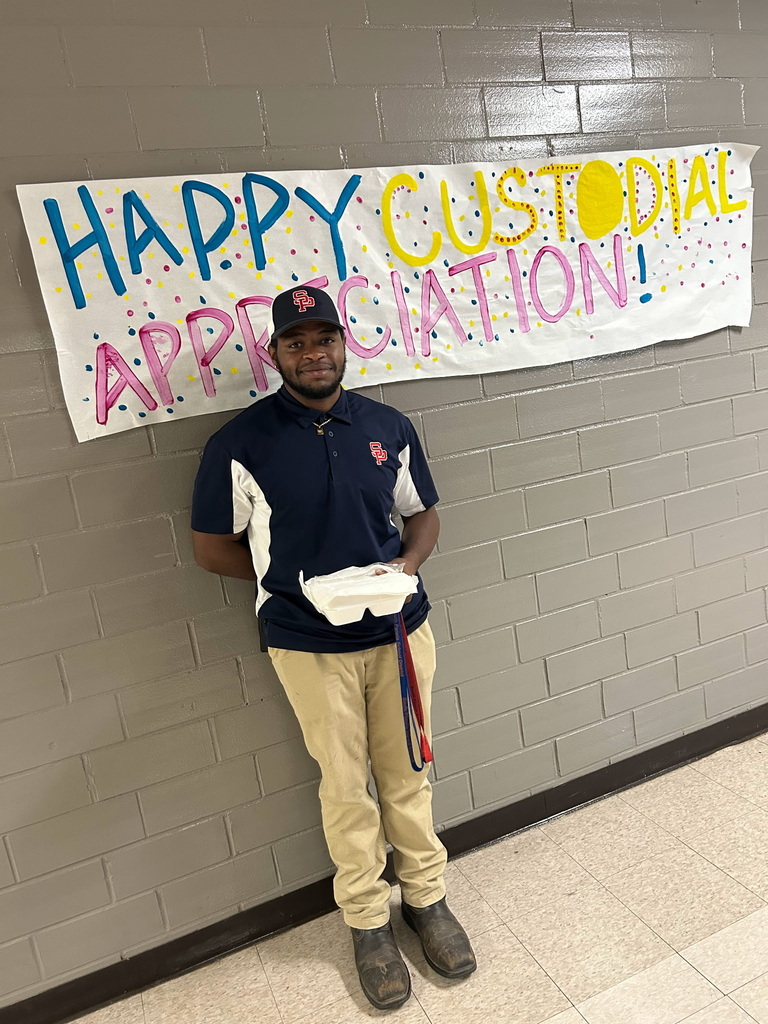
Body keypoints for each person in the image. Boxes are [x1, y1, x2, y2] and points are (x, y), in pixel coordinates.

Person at [190, 284, 475, 1010]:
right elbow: (210, 548)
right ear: (275, 353)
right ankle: (368, 923)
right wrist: (292, 586)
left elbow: (424, 516)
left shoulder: (387, 424)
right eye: (296, 343)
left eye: (325, 341)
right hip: (307, 644)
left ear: (344, 346)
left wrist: (404, 572)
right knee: (346, 786)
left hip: (398, 633)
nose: (313, 355)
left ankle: (427, 899)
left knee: (408, 771)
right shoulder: (240, 443)